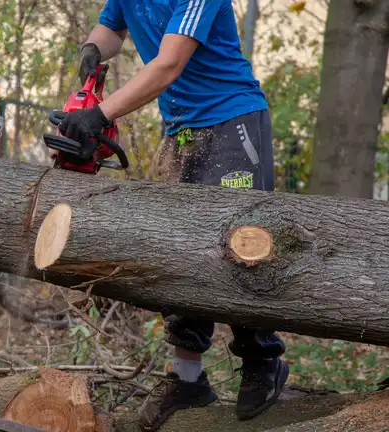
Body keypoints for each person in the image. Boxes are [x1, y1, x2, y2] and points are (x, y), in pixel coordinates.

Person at [55, 0, 289, 430]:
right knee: (181, 252)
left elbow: (167, 64)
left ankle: (262, 360)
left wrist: (99, 115)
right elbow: (111, 29)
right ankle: (188, 377)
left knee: (242, 247)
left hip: (230, 122)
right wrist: (91, 49)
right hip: (181, 130)